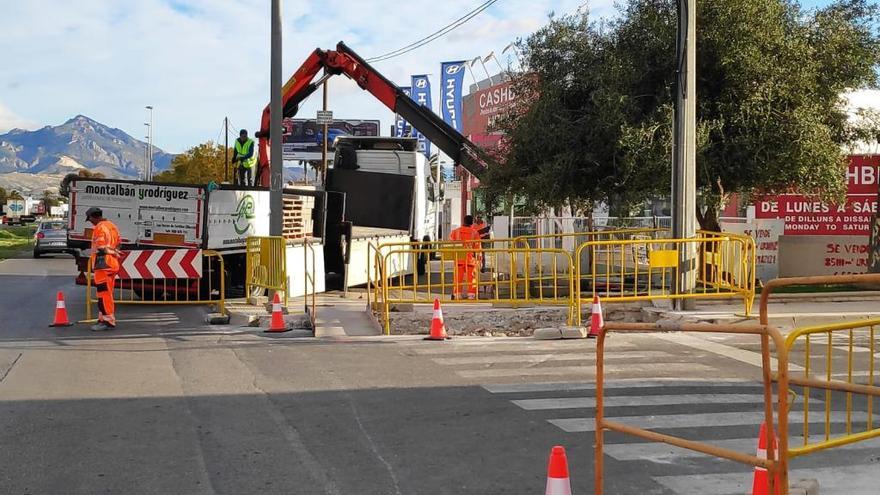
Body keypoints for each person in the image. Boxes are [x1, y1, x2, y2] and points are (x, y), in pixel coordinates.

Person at [86, 207, 121, 331]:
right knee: (107, 293)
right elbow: (118, 243)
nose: (90, 222)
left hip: (103, 265)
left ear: (93, 217)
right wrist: (114, 252)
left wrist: (110, 252)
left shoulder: (99, 228)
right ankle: (103, 318)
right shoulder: (112, 226)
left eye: (89, 219)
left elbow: (101, 247)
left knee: (103, 294)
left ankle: (107, 321)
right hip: (112, 264)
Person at [449, 215, 481, 299]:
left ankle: (457, 294)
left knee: (457, 278)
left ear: (463, 221)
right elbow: (478, 248)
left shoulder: (455, 232)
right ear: (472, 223)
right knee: (472, 278)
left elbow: (451, 245)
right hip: (470, 259)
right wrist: (479, 260)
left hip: (459, 258)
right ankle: (471, 294)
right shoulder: (475, 233)